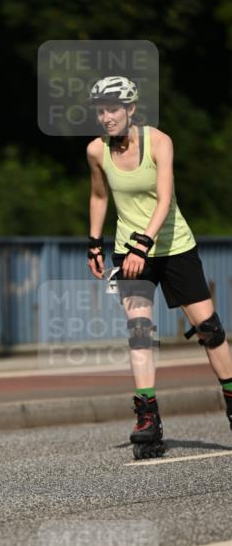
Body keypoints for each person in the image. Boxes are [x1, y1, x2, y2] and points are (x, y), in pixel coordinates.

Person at [86, 75, 232, 458]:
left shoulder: (159, 142)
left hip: (173, 246)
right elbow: (99, 195)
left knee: (210, 330)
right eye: (100, 111)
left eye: (113, 109)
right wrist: (94, 242)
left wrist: (143, 245)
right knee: (140, 332)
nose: (106, 117)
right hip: (128, 251)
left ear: (131, 109)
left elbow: (165, 199)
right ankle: (147, 419)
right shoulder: (97, 151)